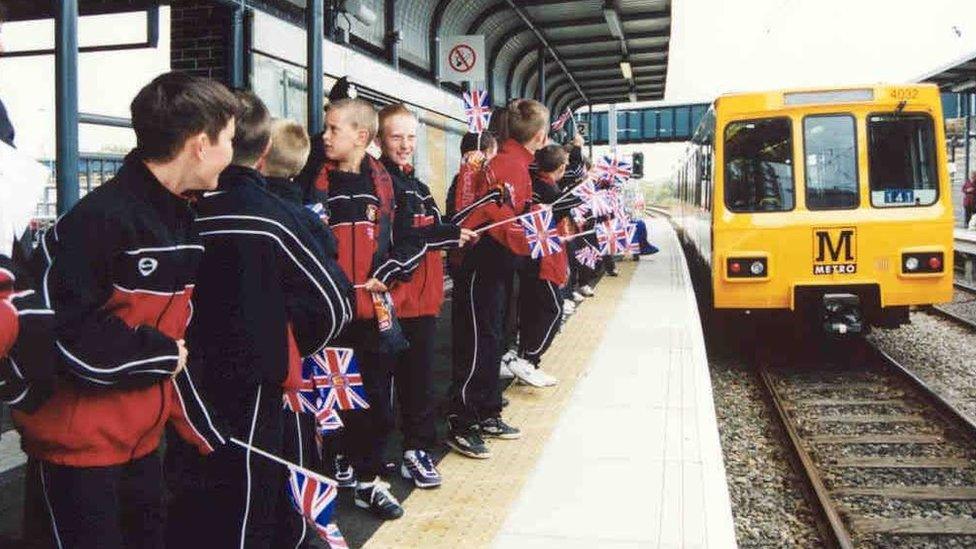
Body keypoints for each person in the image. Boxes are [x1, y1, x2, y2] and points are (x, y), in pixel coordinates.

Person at [13, 72, 236, 549]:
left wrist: (207, 434)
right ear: (201, 144)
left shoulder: (181, 219)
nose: (232, 154)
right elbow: (57, 336)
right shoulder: (100, 221)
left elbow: (175, 340)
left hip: (140, 450)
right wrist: (158, 356)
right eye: (230, 140)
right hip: (76, 458)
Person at [166, 90, 352, 548]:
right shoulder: (282, 220)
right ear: (264, 151)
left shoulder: (177, 216)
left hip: (179, 379)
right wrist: (288, 345)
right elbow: (334, 306)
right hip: (255, 386)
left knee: (188, 496)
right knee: (250, 502)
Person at [304, 97, 427, 519]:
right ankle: (333, 469)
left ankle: (369, 481)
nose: (324, 136)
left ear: (361, 136)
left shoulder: (386, 185)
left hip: (374, 315)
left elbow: (412, 240)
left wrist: (391, 270)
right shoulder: (311, 182)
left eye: (333, 129)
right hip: (329, 319)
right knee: (329, 400)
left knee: (375, 402)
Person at [377, 104, 476, 488]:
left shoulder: (418, 187)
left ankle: (416, 450)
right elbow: (401, 242)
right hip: (392, 304)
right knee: (383, 385)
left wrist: (458, 231)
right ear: (380, 139)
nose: (405, 145)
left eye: (410, 137)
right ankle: (375, 458)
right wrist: (445, 236)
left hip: (424, 303)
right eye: (396, 137)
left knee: (418, 383)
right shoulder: (382, 184)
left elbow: (436, 227)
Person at [446, 99, 549, 459]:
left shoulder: (515, 162)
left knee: (493, 336)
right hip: (483, 261)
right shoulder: (508, 164)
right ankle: (463, 418)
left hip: (498, 264)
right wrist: (528, 241)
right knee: (478, 341)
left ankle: (487, 408)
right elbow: (493, 212)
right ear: (540, 135)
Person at [506, 144, 579, 388]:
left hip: (529, 260)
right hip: (544, 262)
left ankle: (524, 356)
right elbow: (564, 211)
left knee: (530, 311)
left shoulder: (533, 185)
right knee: (553, 310)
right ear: (560, 168)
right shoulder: (552, 194)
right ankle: (529, 359)